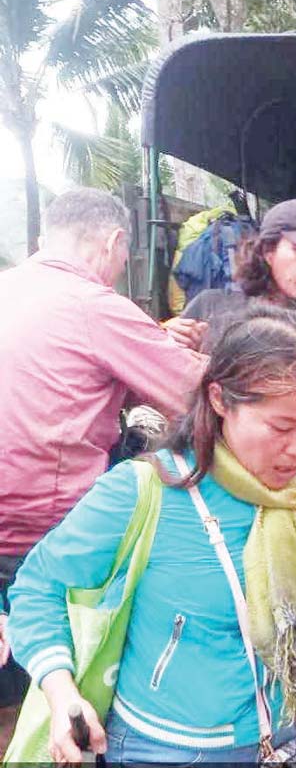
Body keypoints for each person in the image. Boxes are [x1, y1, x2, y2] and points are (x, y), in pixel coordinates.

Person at [6, 307, 296, 765]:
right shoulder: (143, 492)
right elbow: (38, 587)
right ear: (220, 400)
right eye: (280, 427)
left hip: (282, 744)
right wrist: (61, 692)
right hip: (162, 751)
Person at [0, 189, 204, 716]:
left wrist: (150, 339)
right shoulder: (96, 306)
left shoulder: (11, 288)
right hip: (37, 537)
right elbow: (201, 396)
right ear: (115, 242)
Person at [169, 199, 296, 447]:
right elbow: (165, 388)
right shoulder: (210, 308)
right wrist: (170, 340)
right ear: (268, 252)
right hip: (207, 456)